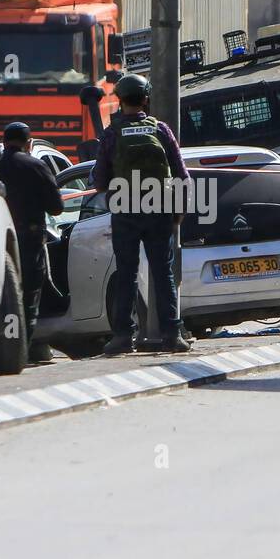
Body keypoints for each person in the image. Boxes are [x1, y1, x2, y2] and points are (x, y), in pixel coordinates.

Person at [92, 73, 191, 355]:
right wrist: (179, 210)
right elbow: (183, 175)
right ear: (146, 99)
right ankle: (172, 334)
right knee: (163, 273)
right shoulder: (160, 130)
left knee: (127, 273)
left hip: (125, 210)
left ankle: (123, 336)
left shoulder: (112, 134)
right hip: (159, 209)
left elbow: (99, 180)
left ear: (120, 101)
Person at [0, 122, 64, 363]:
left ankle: (5, 345)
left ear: (3, 142)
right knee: (28, 299)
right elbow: (57, 207)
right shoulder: (37, 165)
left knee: (5, 298)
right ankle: (20, 352)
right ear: (30, 144)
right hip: (29, 239)